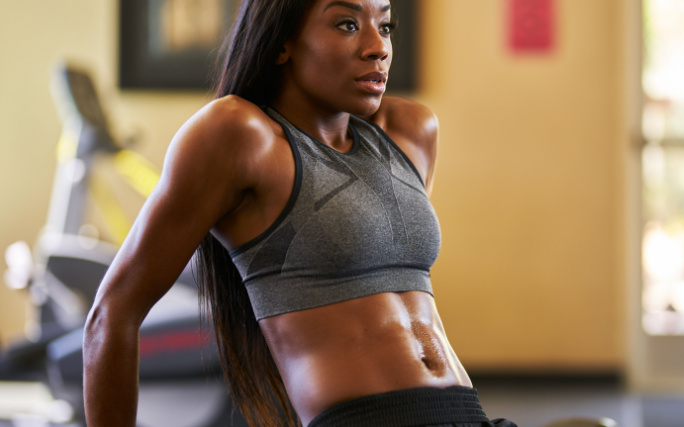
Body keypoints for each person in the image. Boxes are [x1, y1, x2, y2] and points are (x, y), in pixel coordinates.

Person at [83, 0, 517, 426]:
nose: (377, 47)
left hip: (466, 413)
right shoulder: (240, 135)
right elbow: (113, 313)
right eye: (347, 24)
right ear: (282, 43)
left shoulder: (411, 132)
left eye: (385, 26)